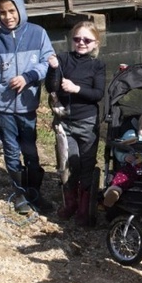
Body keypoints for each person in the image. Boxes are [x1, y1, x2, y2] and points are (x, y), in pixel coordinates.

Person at [0, 0, 56, 215]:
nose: (8, 16)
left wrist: (29, 77)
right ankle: (19, 193)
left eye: (11, 11)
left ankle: (34, 192)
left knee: (30, 150)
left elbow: (49, 62)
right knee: (11, 148)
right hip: (2, 106)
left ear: (20, 8)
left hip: (28, 104)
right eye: (2, 13)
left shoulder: (38, 33)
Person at [45, 21, 106, 224]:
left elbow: (98, 94)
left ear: (95, 43)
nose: (81, 43)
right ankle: (69, 201)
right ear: (72, 40)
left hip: (87, 122)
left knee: (87, 163)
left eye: (86, 40)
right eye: (77, 39)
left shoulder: (98, 65)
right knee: (70, 161)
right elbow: (51, 87)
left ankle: (84, 207)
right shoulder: (63, 59)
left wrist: (76, 88)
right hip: (64, 122)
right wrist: (53, 69)